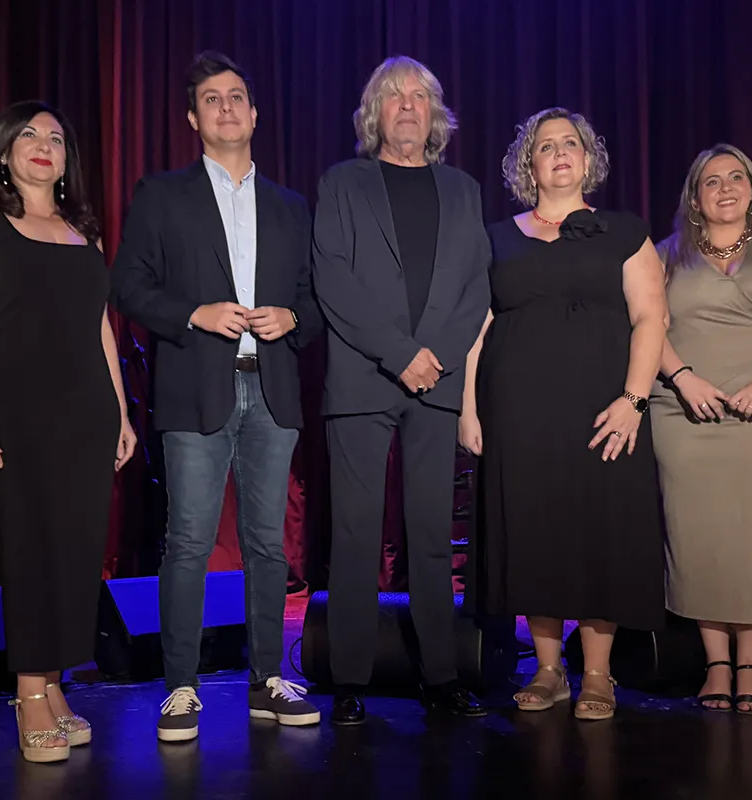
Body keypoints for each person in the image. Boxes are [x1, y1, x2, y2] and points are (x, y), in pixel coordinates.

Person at [110, 51, 324, 743]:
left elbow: (316, 299)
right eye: (211, 99)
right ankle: (181, 687)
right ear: (192, 118)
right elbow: (128, 286)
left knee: (268, 544)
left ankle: (268, 679)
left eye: (236, 97)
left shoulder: (291, 206)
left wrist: (293, 318)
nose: (226, 108)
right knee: (189, 543)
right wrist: (194, 314)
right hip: (195, 386)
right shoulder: (161, 195)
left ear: (255, 114)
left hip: (273, 387)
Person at [0, 100, 137, 762]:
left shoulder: (83, 229)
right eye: (29, 133)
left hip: (87, 413)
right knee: (31, 548)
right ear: (5, 150)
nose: (43, 144)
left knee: (78, 553)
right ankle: (29, 692)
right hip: (19, 409)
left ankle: (55, 683)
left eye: (56, 137)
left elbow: (100, 327)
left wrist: (120, 411)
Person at [460, 107, 668, 721]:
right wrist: (467, 410)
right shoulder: (495, 238)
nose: (559, 153)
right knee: (533, 532)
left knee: (602, 529)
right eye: (545, 145)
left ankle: (597, 673)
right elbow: (475, 328)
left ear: (587, 158)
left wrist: (634, 400)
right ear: (528, 164)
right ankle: (549, 669)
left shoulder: (624, 231)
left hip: (606, 408)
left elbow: (651, 317)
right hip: (518, 410)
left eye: (569, 143)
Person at [312, 55, 491, 725]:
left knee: (432, 535)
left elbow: (477, 287)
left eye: (420, 96)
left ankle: (441, 676)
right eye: (394, 96)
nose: (409, 106)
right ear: (375, 114)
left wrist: (434, 359)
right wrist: (399, 355)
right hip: (363, 378)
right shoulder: (342, 183)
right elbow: (332, 279)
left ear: (436, 114)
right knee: (356, 533)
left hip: (437, 381)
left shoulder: (464, 190)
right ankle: (350, 679)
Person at [653, 144, 752, 715]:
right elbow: (646, 326)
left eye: (735, 178)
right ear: (694, 197)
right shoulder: (666, 254)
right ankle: (715, 664)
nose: (725, 188)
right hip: (684, 412)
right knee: (696, 537)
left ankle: (750, 664)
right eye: (711, 181)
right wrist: (684, 380)